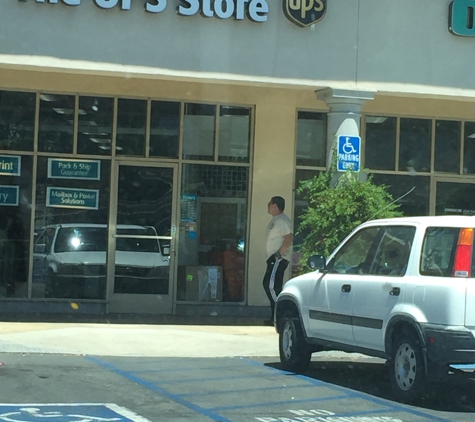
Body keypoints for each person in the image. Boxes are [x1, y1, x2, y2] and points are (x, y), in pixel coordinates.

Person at [262, 196, 293, 326]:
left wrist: (278, 255)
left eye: (270, 203)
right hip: (274, 259)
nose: (267, 205)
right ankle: (275, 316)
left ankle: (281, 314)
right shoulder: (276, 220)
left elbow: (289, 238)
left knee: (271, 286)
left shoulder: (283, 220)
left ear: (275, 205)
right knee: (272, 286)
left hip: (278, 259)